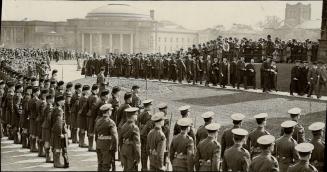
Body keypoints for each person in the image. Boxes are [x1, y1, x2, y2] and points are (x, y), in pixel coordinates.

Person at [94, 103, 118, 171]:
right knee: (106, 165)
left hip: (99, 145)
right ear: (108, 112)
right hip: (107, 146)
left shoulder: (98, 121)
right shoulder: (110, 122)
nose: (111, 112)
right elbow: (115, 137)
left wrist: (98, 143)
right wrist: (115, 147)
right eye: (110, 111)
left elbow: (96, 134)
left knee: (100, 164)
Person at [51, 95, 69, 168]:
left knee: (56, 146)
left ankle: (56, 162)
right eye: (63, 100)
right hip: (58, 131)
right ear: (59, 101)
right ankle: (57, 163)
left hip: (55, 131)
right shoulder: (59, 110)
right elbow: (58, 123)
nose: (64, 101)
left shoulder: (56, 109)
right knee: (57, 147)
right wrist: (60, 133)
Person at [138, 99, 154, 171]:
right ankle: (145, 168)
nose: (151, 106)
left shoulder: (141, 113)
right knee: (147, 152)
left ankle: (143, 167)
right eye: (150, 105)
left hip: (141, 133)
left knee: (143, 152)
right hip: (146, 135)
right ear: (147, 106)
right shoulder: (147, 115)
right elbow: (149, 126)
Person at [86, 84, 100, 152]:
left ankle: (90, 145)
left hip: (88, 114)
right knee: (91, 131)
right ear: (96, 90)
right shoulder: (95, 97)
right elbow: (94, 108)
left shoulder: (90, 96)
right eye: (98, 89)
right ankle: (91, 147)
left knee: (89, 130)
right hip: (92, 115)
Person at [42, 94, 54, 163]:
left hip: (45, 125)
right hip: (48, 126)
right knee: (47, 141)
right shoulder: (49, 107)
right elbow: (49, 118)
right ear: (50, 100)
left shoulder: (46, 106)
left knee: (47, 141)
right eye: (53, 98)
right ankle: (48, 157)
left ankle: (48, 157)